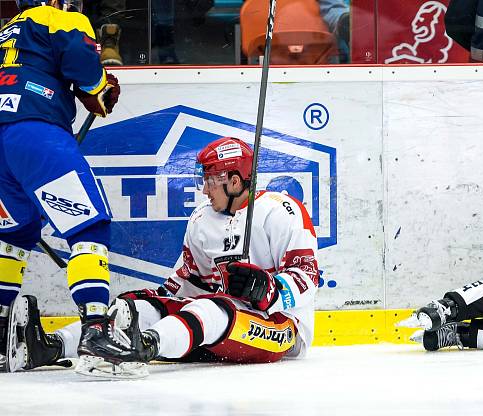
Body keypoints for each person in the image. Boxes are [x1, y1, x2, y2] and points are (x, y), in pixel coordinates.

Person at [8, 137, 319, 379]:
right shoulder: (201, 219)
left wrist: (269, 289)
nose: (205, 190)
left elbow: (307, 276)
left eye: (210, 181)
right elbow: (187, 283)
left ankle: (143, 347)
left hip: (280, 330)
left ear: (235, 181)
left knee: (212, 307)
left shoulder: (281, 211)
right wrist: (155, 299)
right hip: (219, 330)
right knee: (137, 307)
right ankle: (49, 347)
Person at [0, 0, 120, 373]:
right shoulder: (55, 17)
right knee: (89, 226)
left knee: (14, 235)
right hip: (35, 131)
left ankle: (0, 334)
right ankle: (96, 334)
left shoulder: (6, 31)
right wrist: (100, 88)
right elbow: (81, 64)